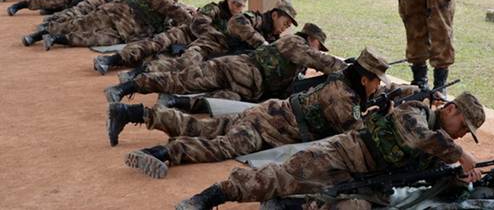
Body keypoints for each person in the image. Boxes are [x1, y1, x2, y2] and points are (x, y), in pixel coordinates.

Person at [107, 47, 410, 181]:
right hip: (268, 128)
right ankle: (161, 152)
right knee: (220, 146)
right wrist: (379, 114)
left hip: (269, 112)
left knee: (204, 128)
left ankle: (131, 112)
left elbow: (359, 104)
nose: (377, 88)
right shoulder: (344, 98)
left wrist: (387, 100)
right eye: (375, 83)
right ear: (364, 79)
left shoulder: (343, 81)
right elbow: (355, 135)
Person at [175, 91, 485, 210]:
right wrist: (459, 153)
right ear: (451, 108)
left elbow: (426, 177)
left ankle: (293, 205)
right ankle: (211, 196)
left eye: (465, 133)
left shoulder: (439, 145)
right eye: (463, 125)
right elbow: (416, 136)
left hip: (363, 180)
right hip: (341, 154)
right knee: (278, 177)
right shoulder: (415, 110)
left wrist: (459, 177)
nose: (460, 133)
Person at [103, 22, 341, 104]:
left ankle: (171, 104)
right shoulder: (294, 43)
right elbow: (318, 60)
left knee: (212, 102)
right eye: (319, 45)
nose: (318, 49)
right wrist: (347, 66)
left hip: (244, 86)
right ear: (312, 39)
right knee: (179, 80)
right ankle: (125, 88)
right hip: (238, 69)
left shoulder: (293, 51)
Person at [92, 0, 250, 74]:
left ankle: (134, 73)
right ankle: (109, 60)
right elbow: (199, 24)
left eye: (240, 5)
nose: (237, 7)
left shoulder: (238, 21)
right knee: (153, 44)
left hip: (197, 47)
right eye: (235, 3)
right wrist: (218, 37)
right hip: (184, 34)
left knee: (164, 62)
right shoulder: (214, 8)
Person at [40, 0, 194, 49]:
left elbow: (169, 20)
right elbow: (171, 8)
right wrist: (193, 21)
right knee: (80, 24)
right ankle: (46, 30)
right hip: (116, 13)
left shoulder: (166, 0)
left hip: (127, 30)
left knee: (95, 40)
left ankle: (56, 39)